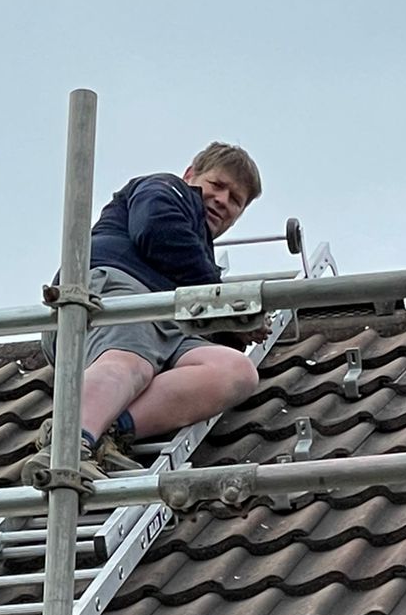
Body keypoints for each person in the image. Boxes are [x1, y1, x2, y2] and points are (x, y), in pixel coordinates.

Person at [29, 143, 264, 480]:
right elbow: (158, 231)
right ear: (190, 175)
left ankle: (109, 431)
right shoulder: (166, 190)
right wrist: (224, 301)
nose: (223, 200)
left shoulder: (199, 253)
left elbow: (193, 283)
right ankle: (67, 444)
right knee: (132, 360)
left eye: (236, 200)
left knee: (235, 371)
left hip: (166, 325)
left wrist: (230, 328)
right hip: (113, 295)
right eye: (217, 185)